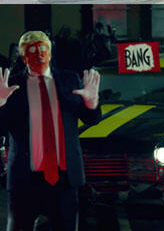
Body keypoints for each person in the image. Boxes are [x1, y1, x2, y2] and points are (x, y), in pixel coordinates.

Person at [0, 31, 101, 231]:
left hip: (64, 179)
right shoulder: (11, 86)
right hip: (24, 180)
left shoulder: (70, 80)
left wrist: (92, 103)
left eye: (43, 48)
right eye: (32, 50)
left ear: (50, 52)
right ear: (23, 56)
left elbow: (92, 119)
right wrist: (0, 104)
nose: (39, 53)